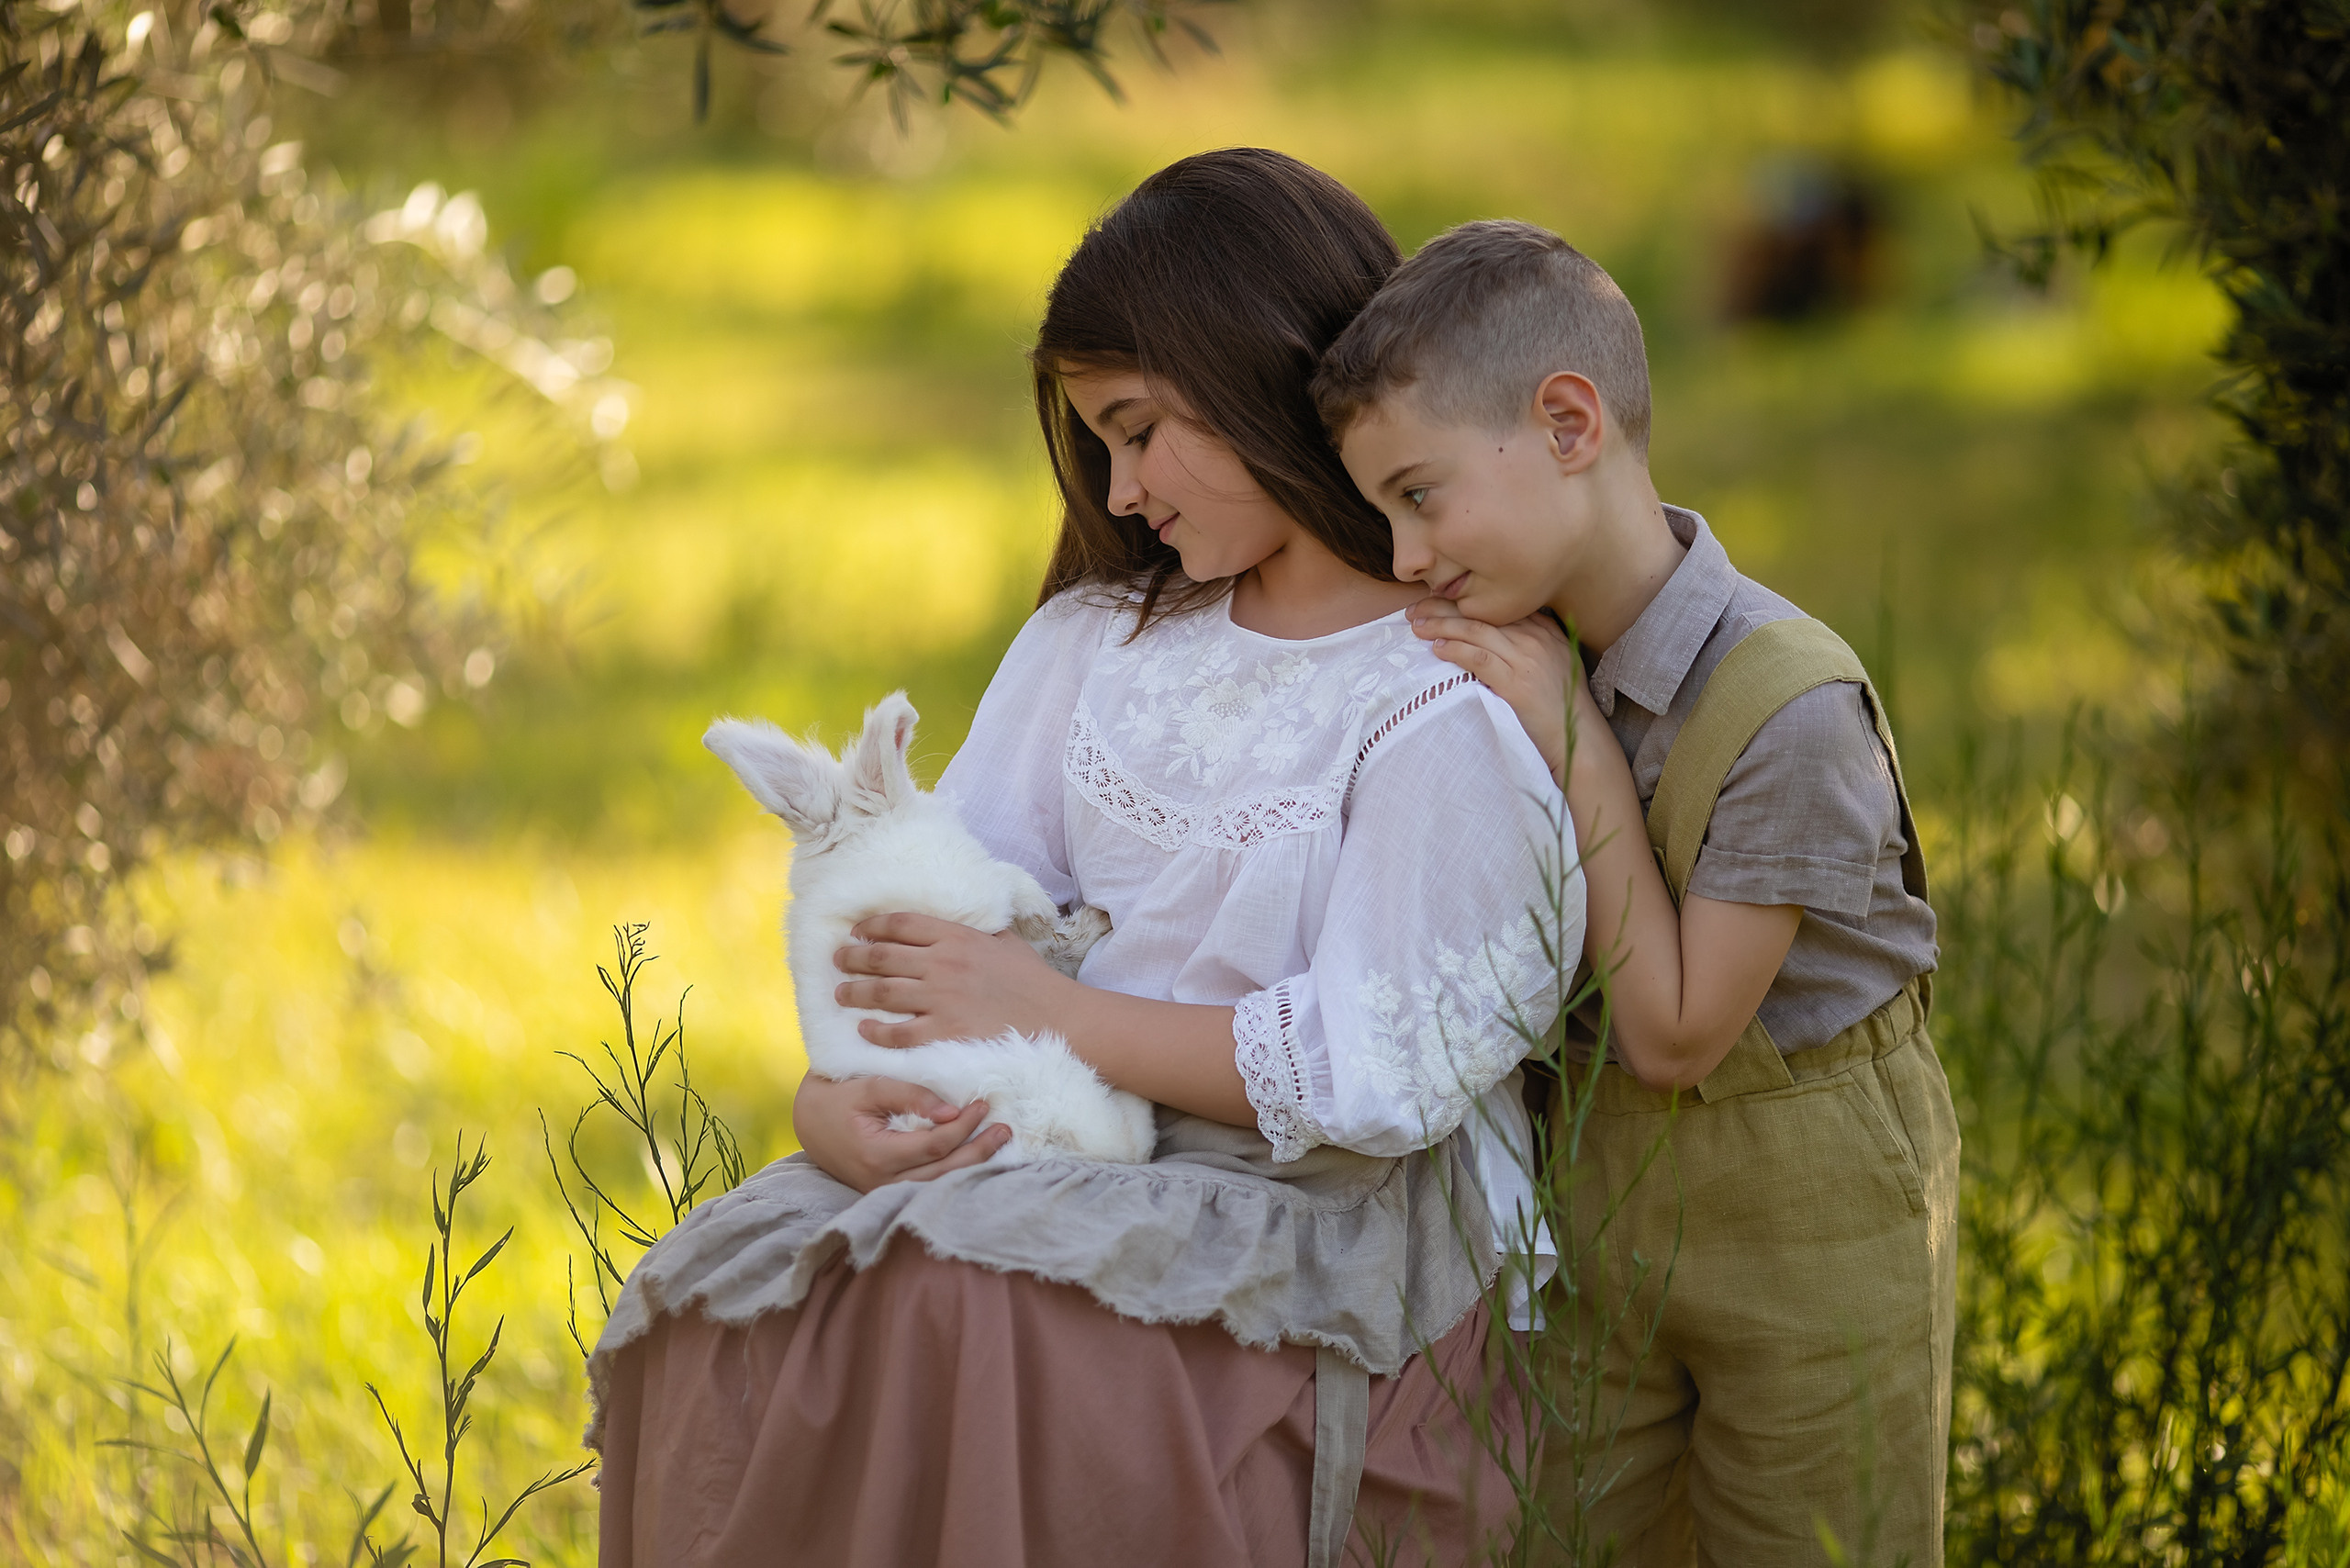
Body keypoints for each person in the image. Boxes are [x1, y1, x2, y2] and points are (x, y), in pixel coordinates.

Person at [589, 153, 1581, 1568]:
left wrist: (1049, 1011)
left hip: (1311, 1222)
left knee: (958, 1304)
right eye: (1098, 444)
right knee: (732, 1295)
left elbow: (1377, 1073)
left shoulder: (1434, 694)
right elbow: (933, 945)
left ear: (1254, 371)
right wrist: (832, 1105)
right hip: (1048, 1131)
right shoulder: (1095, 644)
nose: (1118, 491)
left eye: (1138, 431)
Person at [1314, 219, 1958, 1564]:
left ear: (1569, 424)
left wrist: (1577, 742)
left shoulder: (1787, 708)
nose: (1405, 556)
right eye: (1383, 515)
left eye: (1420, 496)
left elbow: (1673, 1033)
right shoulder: (1519, 653)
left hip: (1816, 1233)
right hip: (1604, 1218)